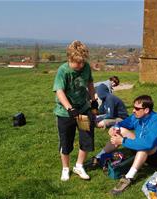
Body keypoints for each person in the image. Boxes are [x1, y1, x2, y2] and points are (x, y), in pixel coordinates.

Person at [95, 95, 157, 194]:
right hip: (143, 149)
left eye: (137, 108)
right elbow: (121, 124)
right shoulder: (136, 117)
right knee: (120, 131)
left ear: (146, 110)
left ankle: (128, 177)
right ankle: (98, 157)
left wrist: (122, 141)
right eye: (133, 107)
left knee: (144, 148)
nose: (133, 110)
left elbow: (148, 144)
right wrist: (114, 128)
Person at [53, 40, 98, 181]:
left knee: (86, 137)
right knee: (66, 142)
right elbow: (59, 91)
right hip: (65, 112)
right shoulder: (63, 70)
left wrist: (93, 100)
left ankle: (79, 165)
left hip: (83, 109)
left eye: (82, 62)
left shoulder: (86, 68)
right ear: (69, 59)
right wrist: (70, 108)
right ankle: (65, 168)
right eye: (77, 63)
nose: (80, 66)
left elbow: (90, 83)